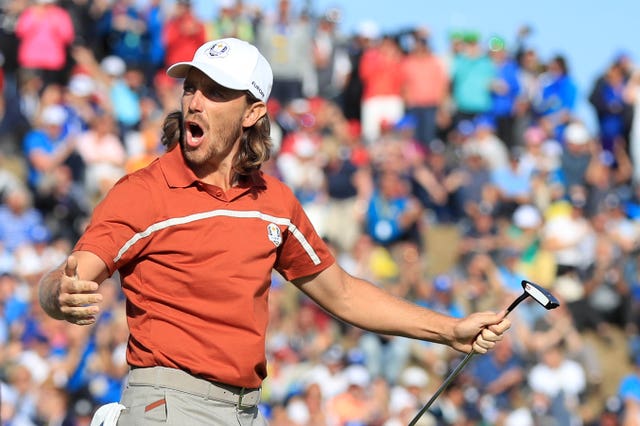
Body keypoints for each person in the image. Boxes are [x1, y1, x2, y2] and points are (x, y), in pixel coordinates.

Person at [37, 37, 510, 425]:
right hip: (167, 407)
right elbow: (73, 274)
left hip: (245, 411)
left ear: (252, 112)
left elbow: (342, 293)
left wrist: (449, 330)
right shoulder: (144, 190)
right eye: (192, 88)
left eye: (217, 91)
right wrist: (59, 291)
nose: (196, 101)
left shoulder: (275, 202)